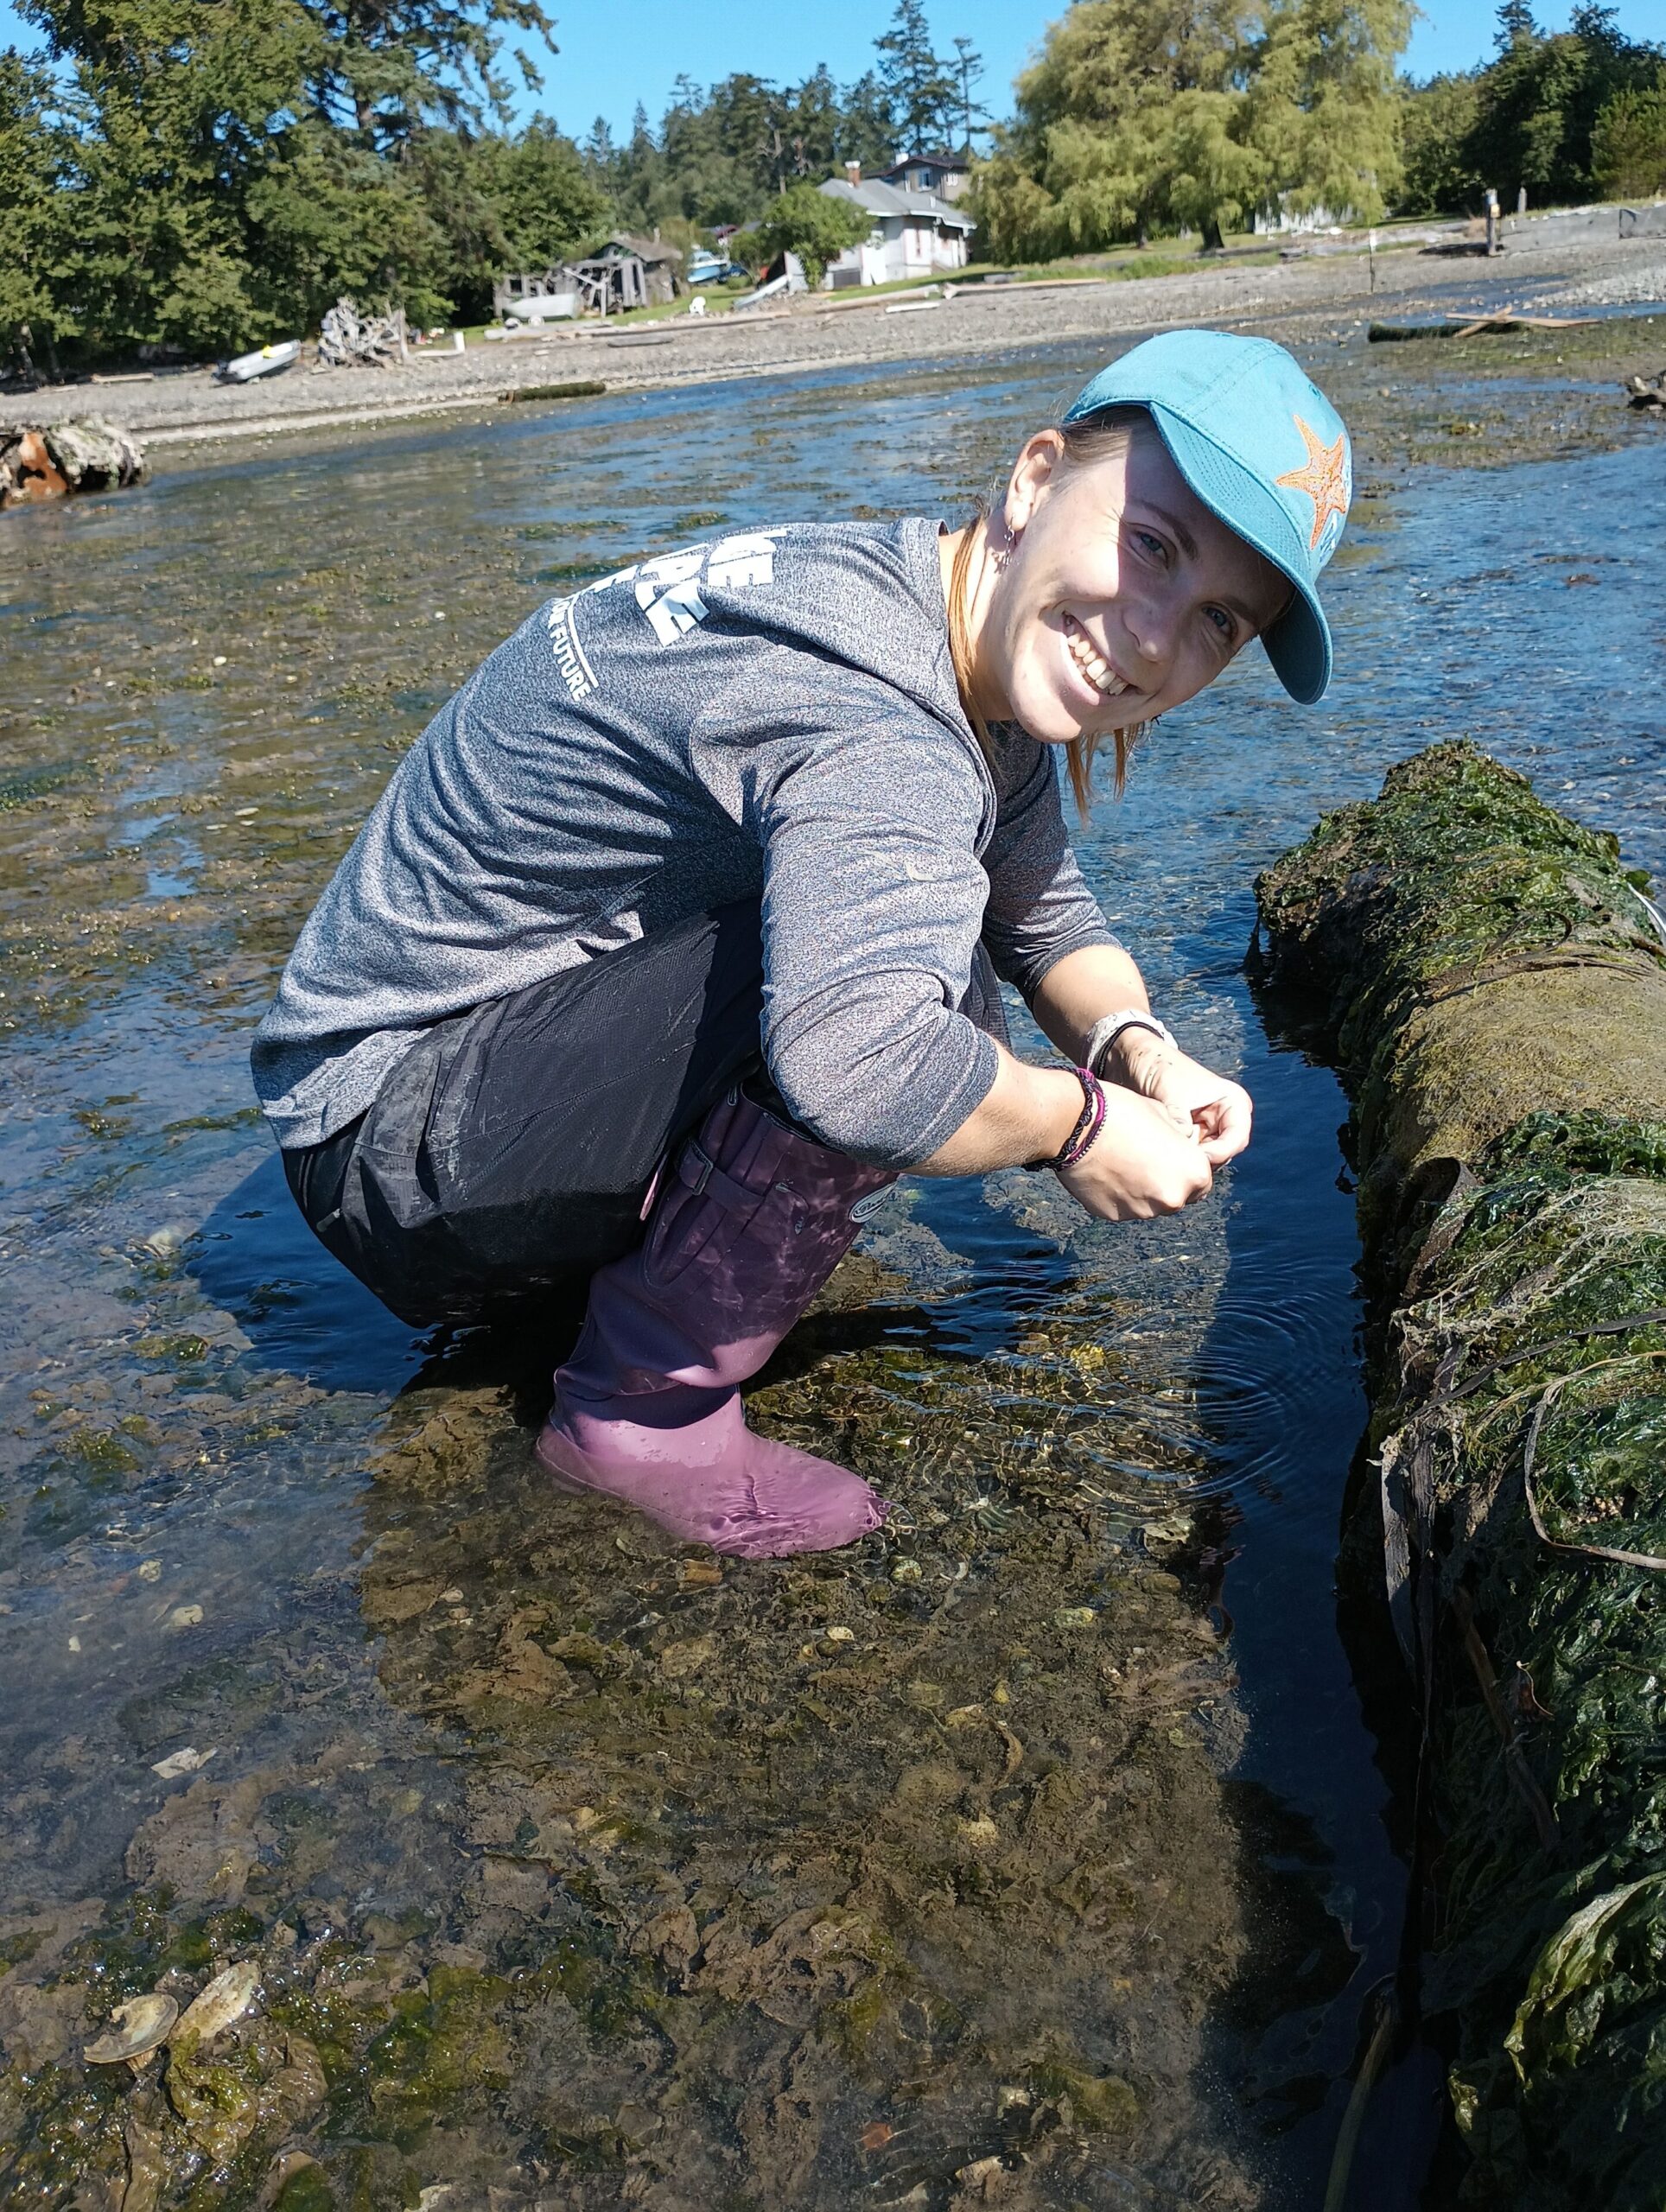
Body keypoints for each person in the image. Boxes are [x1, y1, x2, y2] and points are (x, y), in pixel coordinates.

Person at [251, 328, 1351, 1560]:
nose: (1154, 639)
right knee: (913, 1005)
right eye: (1151, 545)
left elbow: (1040, 912)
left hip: (435, 1082)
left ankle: (624, 1282)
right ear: (1034, 479)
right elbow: (865, 1062)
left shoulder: (929, 608)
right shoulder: (879, 715)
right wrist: (1074, 1127)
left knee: (914, 943)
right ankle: (639, 1412)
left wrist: (1144, 1055)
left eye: (1217, 622)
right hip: (392, 1150)